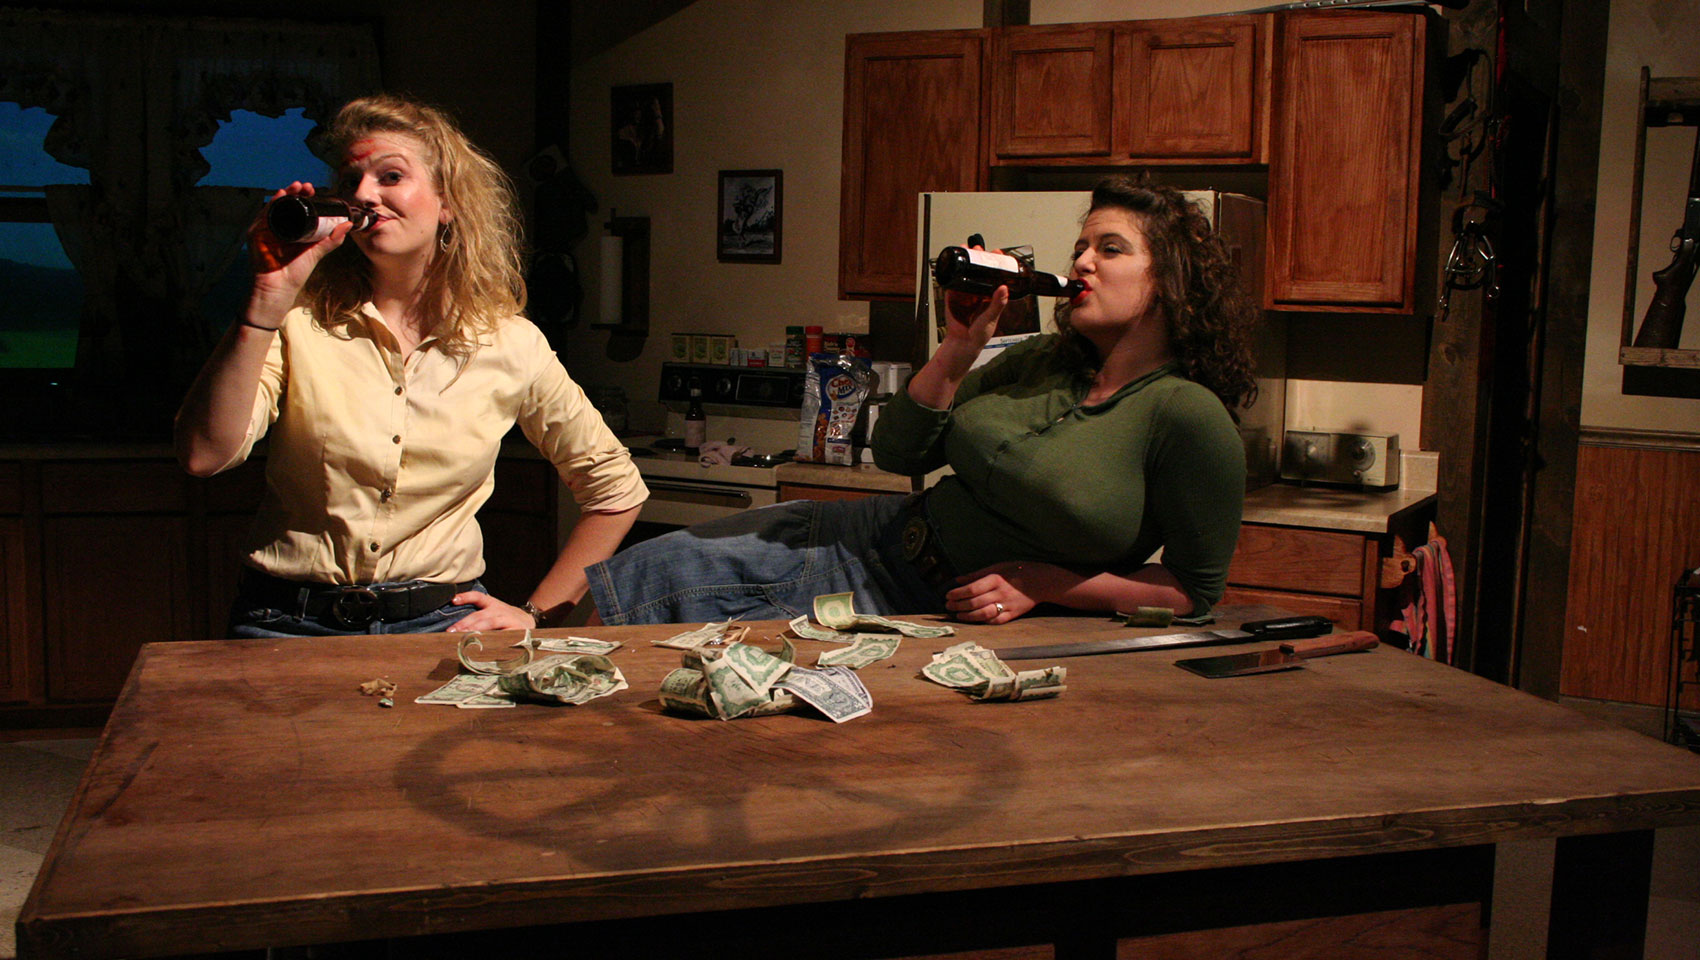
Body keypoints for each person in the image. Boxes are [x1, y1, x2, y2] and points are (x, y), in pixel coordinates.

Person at [586, 177, 1255, 626]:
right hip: (856, 544)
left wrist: (1043, 582)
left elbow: (1193, 594)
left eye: (1110, 249)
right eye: (1081, 246)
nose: (1081, 263)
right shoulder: (1038, 362)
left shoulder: (1185, 418)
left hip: (918, 610)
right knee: (635, 581)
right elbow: (899, 450)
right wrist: (958, 348)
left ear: (1169, 282)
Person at [175, 94, 647, 638]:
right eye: (351, 181)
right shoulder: (297, 322)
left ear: (448, 201)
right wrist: (264, 302)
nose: (363, 194)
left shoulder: (508, 343)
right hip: (287, 623)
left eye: (390, 176)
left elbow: (615, 489)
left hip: (439, 626)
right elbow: (204, 456)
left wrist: (537, 615)